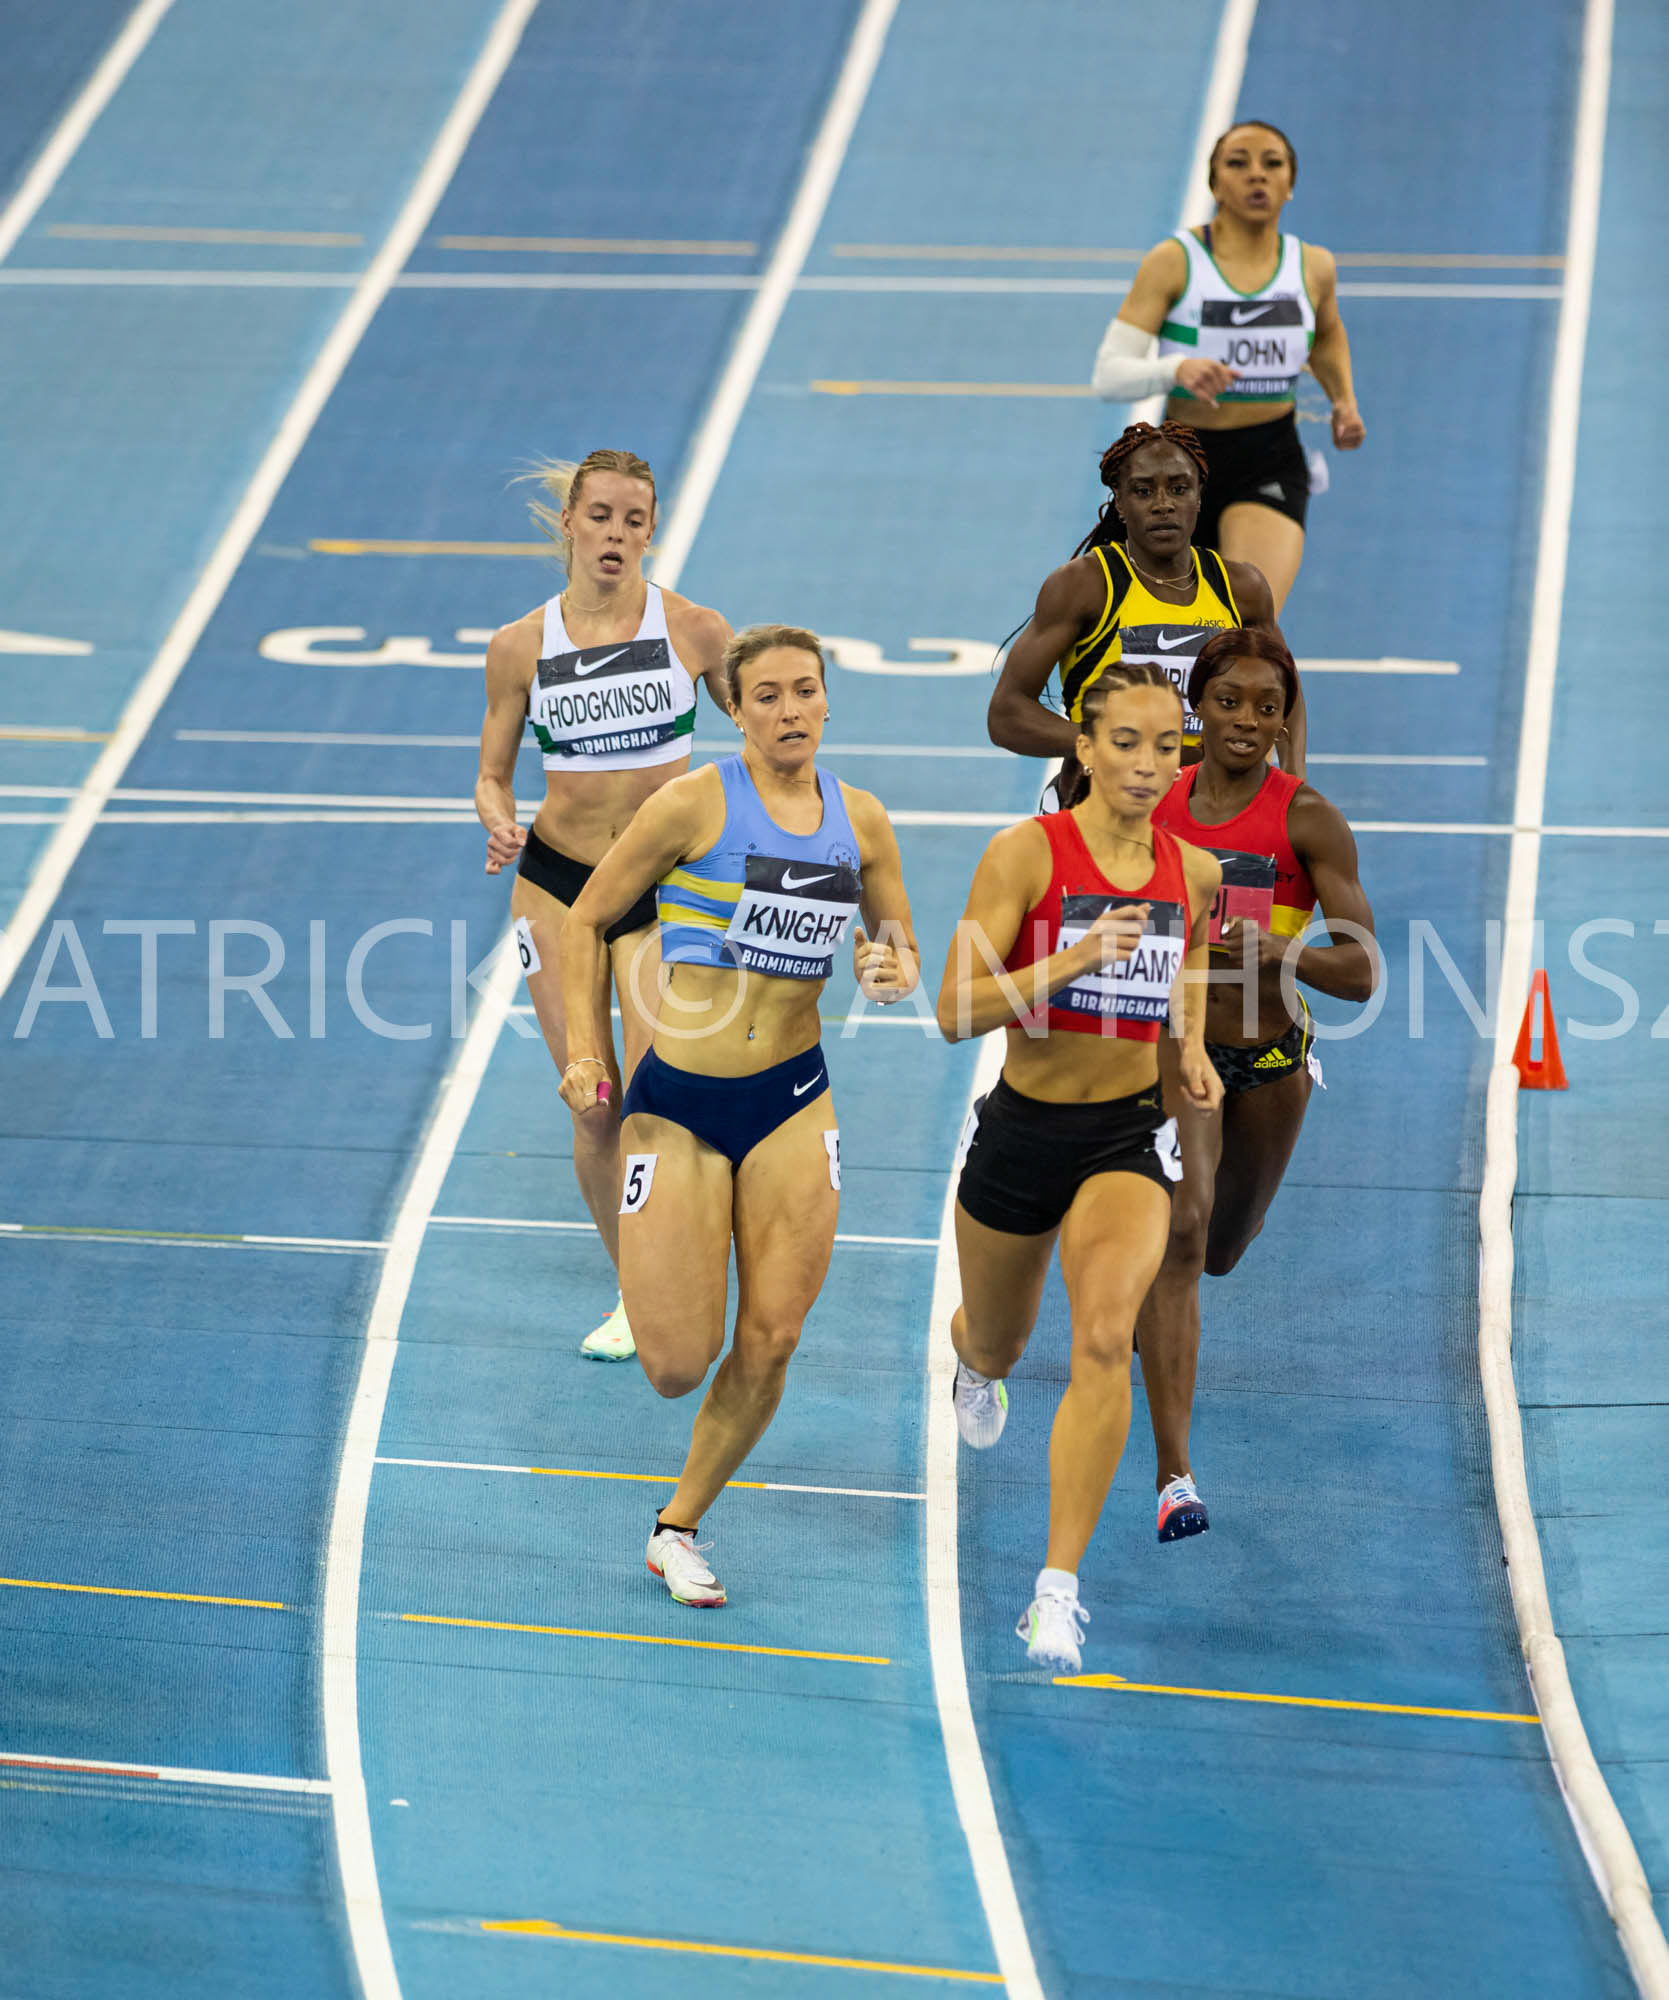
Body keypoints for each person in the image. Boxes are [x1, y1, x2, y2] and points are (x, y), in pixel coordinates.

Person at [557, 624, 919, 1608]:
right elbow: (586, 918)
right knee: (677, 1363)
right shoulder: (692, 803)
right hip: (679, 1100)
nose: (790, 709)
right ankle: (657, 1258)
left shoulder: (865, 821)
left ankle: (676, 1525)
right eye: (767, 695)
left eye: (805, 690)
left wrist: (890, 968)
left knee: (773, 1334)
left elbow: (896, 944)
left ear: (828, 700)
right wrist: (589, 1052)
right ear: (736, 708)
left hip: (793, 1098)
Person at [937, 660, 1222, 1673]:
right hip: (1021, 1129)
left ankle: (1053, 1588)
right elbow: (951, 1011)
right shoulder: (1023, 854)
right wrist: (1070, 958)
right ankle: (971, 1356)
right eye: (1128, 743)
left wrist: (1186, 1052)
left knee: (1105, 1334)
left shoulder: (1192, 872)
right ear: (1085, 748)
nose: (1150, 765)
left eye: (1165, 745)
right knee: (1005, 1341)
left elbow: (1184, 973)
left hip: (1122, 1137)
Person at [475, 448, 732, 1361]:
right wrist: (499, 820)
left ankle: (675, 1270)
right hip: (554, 887)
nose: (616, 534)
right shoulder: (519, 647)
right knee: (592, 1103)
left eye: (633, 520)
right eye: (601, 517)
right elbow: (492, 777)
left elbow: (763, 735)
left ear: (651, 532)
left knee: (655, 1104)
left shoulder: (695, 632)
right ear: (570, 525)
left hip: (656, 891)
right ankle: (636, 1289)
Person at [1138, 627, 1377, 1541]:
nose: (1245, 720)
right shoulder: (1154, 802)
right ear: (1197, 705)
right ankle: (1175, 1476)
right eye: (1228, 701)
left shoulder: (1306, 817)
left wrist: (1285, 949)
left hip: (1271, 1055)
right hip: (1177, 1047)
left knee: (1225, 1245)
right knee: (1185, 1234)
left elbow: (1359, 971)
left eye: (1266, 707)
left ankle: (1153, 1296)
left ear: (1284, 722)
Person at [1089, 119, 1365, 613]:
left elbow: (1326, 334)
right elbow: (1110, 374)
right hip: (1179, 464)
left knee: (1247, 624)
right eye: (1238, 164)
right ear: (1215, 185)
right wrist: (1176, 370)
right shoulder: (1175, 262)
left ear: (1290, 185)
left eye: (1271, 164)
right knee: (1163, 630)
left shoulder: (1313, 266)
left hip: (1269, 456)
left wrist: (1343, 400)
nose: (1256, 175)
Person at [987, 420, 1302, 804]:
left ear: (1199, 496)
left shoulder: (1240, 589)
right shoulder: (1085, 586)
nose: (1163, 503)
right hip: (1099, 802)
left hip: (1208, 807)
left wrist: (1293, 785)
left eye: (1179, 488)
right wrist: (1107, 744)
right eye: (1142, 491)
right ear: (1119, 501)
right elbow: (1006, 713)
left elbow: (1287, 690)